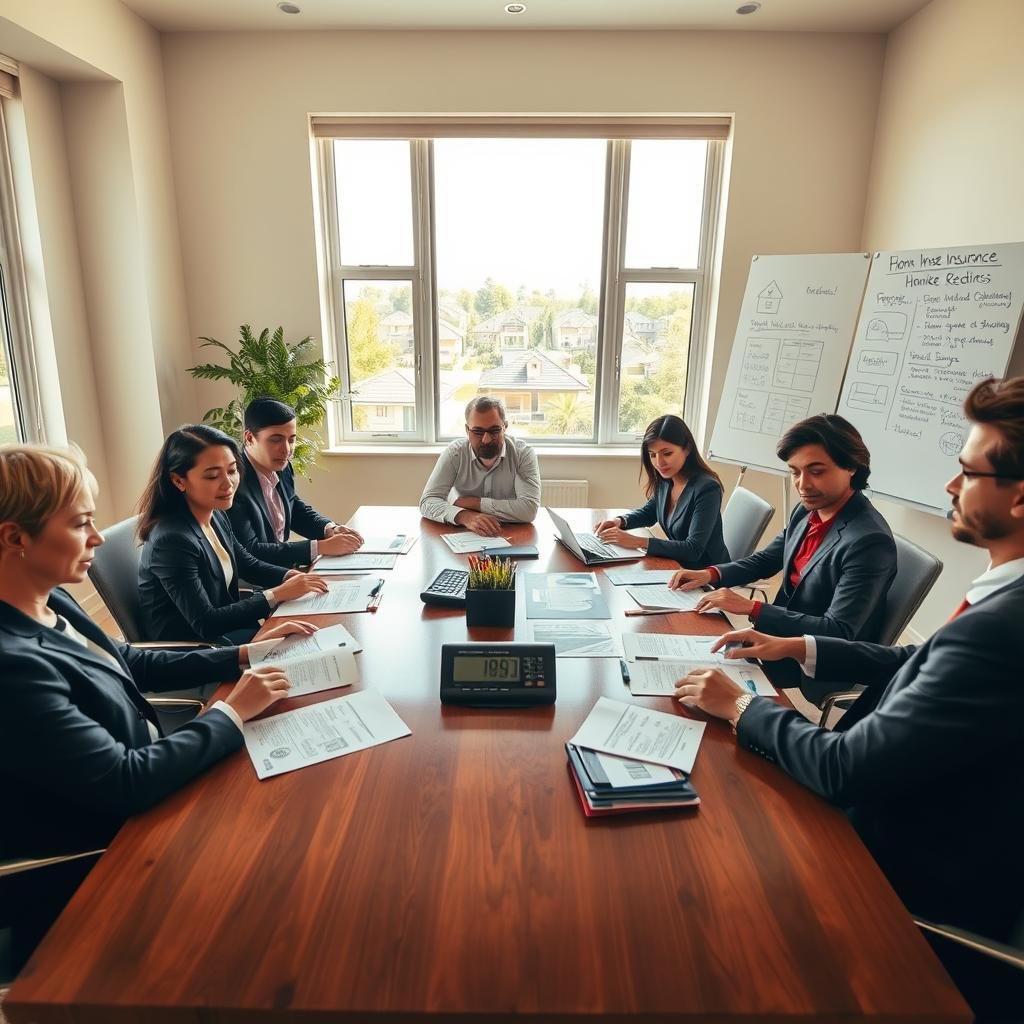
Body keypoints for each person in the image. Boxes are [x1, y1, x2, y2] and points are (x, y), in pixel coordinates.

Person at [674, 377, 1024, 1018]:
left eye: (967, 472)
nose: (949, 488)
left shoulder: (1001, 627)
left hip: (895, 874)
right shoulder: (1002, 600)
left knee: (702, 887)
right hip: (898, 790)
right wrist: (798, 647)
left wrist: (743, 708)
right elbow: (921, 658)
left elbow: (844, 770)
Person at [0, 443, 306, 967]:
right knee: (285, 893)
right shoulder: (12, 665)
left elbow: (128, 661)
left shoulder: (51, 597)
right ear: (14, 538)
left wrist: (241, 655)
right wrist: (230, 715)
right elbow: (124, 781)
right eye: (80, 525)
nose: (97, 537)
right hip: (105, 856)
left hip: (152, 788)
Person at [669, 414, 896, 641]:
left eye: (816, 472)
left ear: (852, 467)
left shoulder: (869, 542)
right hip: (777, 637)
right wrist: (709, 574)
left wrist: (752, 608)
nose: (802, 484)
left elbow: (837, 630)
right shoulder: (807, 510)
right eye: (795, 472)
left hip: (813, 661)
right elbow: (766, 560)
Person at [138, 424, 328, 644]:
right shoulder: (172, 541)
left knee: (313, 632)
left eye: (232, 470)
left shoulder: (215, 514)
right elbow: (205, 622)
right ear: (178, 481)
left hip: (227, 631)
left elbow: (246, 563)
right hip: (198, 650)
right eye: (212, 476)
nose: (228, 484)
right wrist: (276, 594)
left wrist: (289, 577)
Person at [227, 397, 363, 568]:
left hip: (286, 568)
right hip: (256, 581)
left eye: (291, 439)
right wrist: (320, 547)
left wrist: (328, 529)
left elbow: (293, 508)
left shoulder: (282, 466)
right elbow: (251, 550)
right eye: (275, 440)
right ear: (249, 438)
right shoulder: (232, 482)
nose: (286, 449)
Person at [594, 414, 729, 567]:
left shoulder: (707, 488)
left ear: (687, 449)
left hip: (705, 575)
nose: (659, 463)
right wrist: (619, 521)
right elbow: (649, 513)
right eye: (652, 455)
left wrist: (637, 542)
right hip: (677, 566)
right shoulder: (666, 479)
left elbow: (693, 549)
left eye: (667, 453)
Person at [419, 396, 541, 536]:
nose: (486, 439)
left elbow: (529, 510)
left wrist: (472, 503)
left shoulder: (523, 455)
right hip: (464, 534)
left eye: (494, 430)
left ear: (505, 427)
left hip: (511, 535)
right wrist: (465, 516)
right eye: (477, 431)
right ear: (467, 430)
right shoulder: (454, 454)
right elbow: (427, 502)